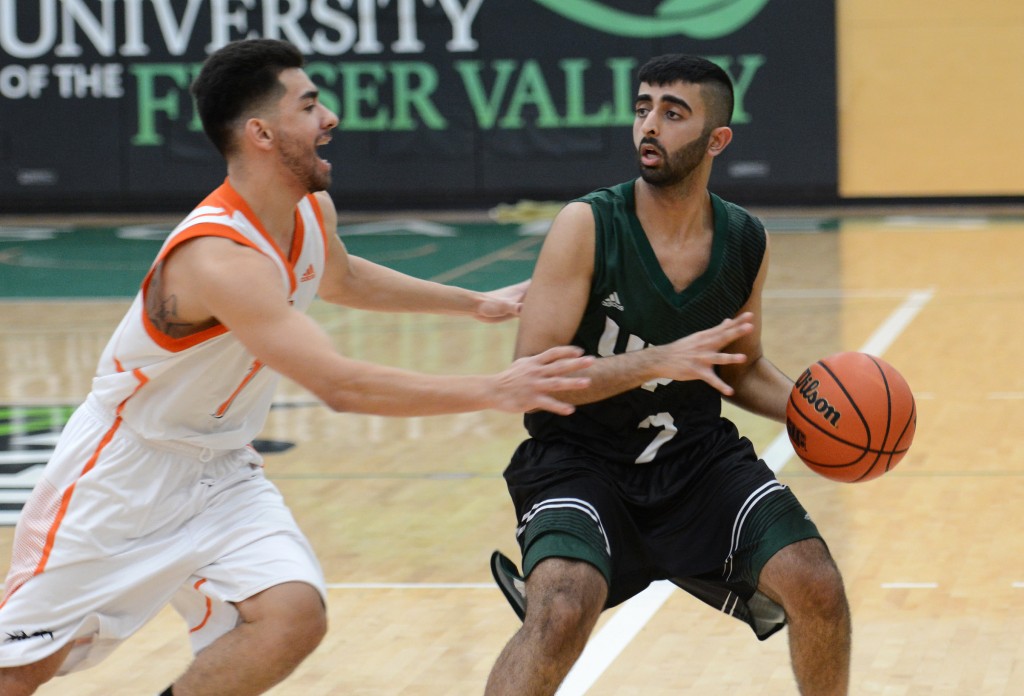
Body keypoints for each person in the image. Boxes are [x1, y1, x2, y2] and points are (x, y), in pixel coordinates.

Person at [0, 39, 597, 696]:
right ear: (261, 132)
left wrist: (474, 304)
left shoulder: (308, 210)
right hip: (121, 475)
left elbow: (339, 276)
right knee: (21, 668)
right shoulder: (217, 258)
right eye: (309, 105)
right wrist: (495, 388)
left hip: (221, 470)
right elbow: (338, 385)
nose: (329, 118)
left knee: (291, 616)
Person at [485, 54, 851, 695]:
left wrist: (814, 412)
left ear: (717, 140)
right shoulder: (588, 224)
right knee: (563, 612)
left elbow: (740, 367)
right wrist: (657, 360)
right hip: (579, 459)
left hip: (694, 460)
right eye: (643, 107)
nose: (649, 125)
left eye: (672, 112)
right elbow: (533, 376)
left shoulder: (744, 240)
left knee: (817, 584)